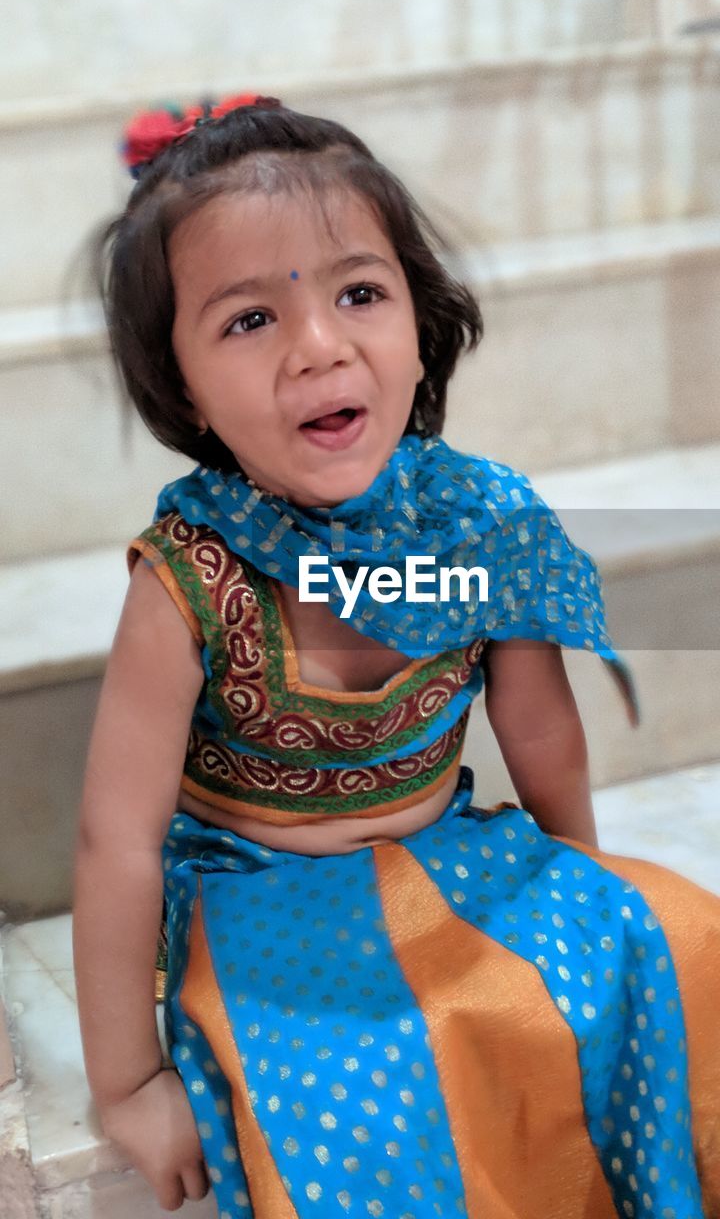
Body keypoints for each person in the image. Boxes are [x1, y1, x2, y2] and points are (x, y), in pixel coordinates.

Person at [73, 94, 720, 1219]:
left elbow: (538, 727)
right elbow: (114, 839)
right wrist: (129, 1078)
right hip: (260, 900)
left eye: (359, 293)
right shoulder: (188, 577)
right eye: (247, 321)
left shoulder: (483, 524)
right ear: (183, 387)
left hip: (450, 860)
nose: (319, 346)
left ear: (419, 323)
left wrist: (583, 876)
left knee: (685, 939)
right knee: (362, 1092)